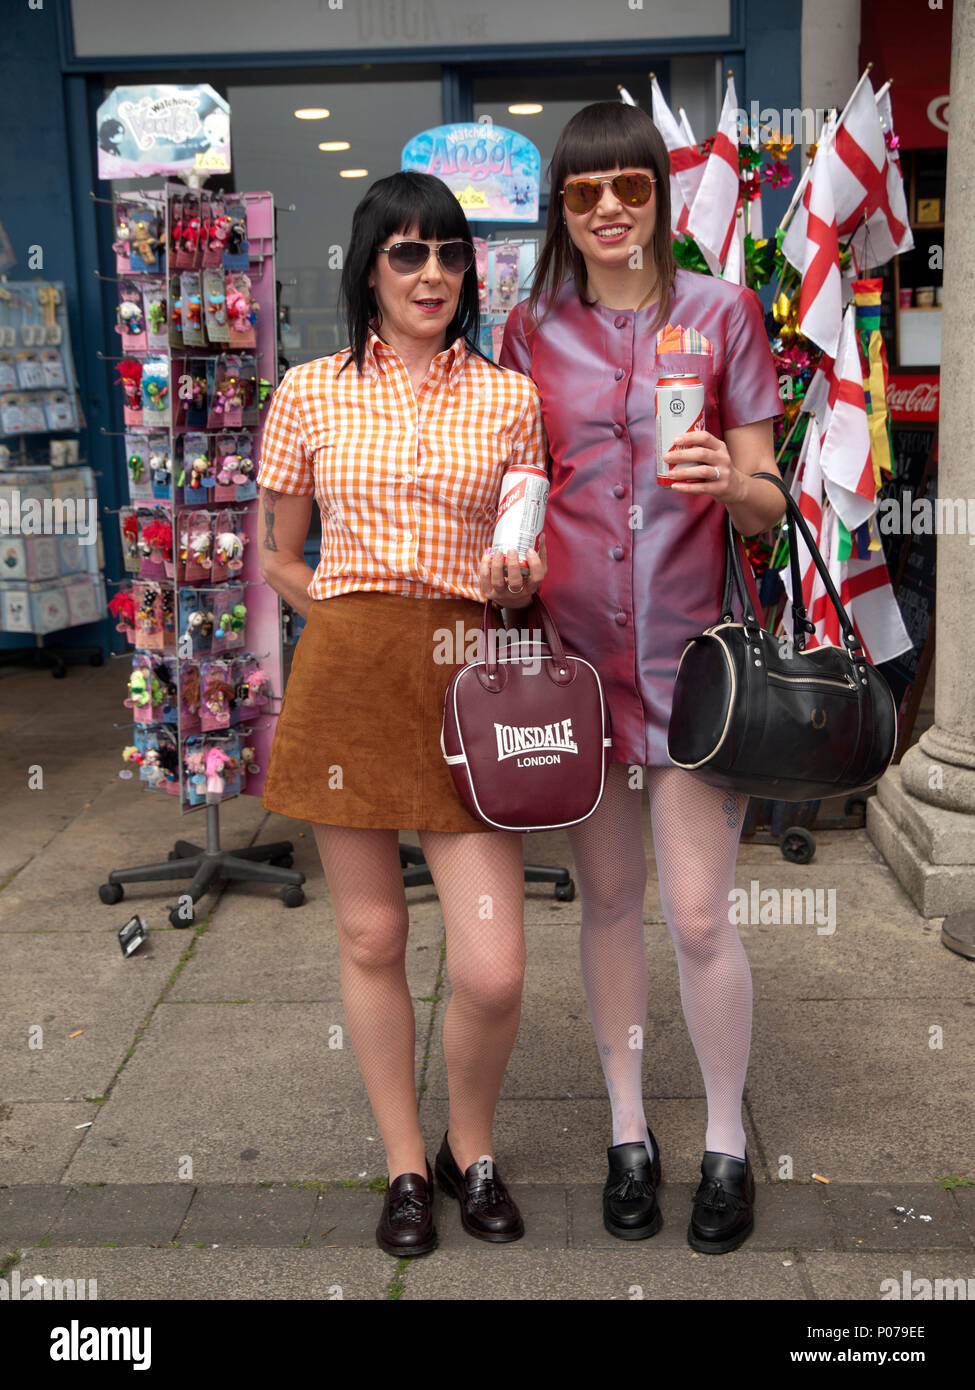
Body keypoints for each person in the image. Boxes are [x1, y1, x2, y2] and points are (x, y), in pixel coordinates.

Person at [500, 101, 785, 1253]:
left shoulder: (725, 314)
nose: (610, 208)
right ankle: (629, 1129)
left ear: (661, 194)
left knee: (704, 914)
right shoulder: (528, 331)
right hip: (573, 665)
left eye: (631, 185)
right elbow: (521, 479)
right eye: (584, 192)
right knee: (609, 904)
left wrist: (729, 479)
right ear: (561, 210)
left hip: (693, 664)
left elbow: (771, 505)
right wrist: (507, 559)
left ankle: (724, 1139)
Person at [256, 171, 547, 1258]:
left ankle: (474, 1148)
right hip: (351, 673)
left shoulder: (509, 397)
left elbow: (531, 539)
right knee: (373, 933)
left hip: (472, 669)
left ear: (472, 270)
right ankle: (406, 1166)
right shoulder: (309, 390)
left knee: (492, 965)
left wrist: (518, 580)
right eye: (407, 254)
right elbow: (280, 555)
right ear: (370, 270)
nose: (433, 274)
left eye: (450, 254)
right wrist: (333, 613)